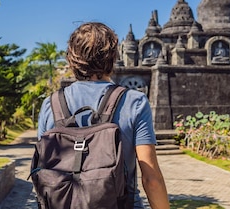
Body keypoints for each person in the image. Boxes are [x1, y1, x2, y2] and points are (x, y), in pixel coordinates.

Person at [36, 22, 170, 209]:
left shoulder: (50, 105)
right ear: (113, 56)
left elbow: (44, 169)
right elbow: (151, 178)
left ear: (72, 58)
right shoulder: (134, 101)